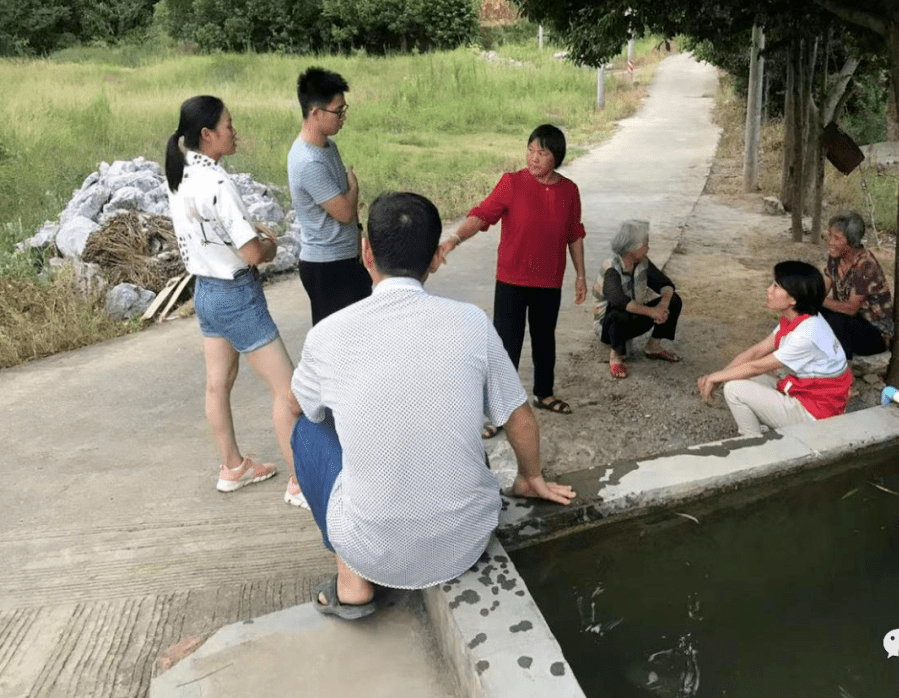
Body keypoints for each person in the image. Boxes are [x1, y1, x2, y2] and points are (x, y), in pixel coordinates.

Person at [290, 192, 576, 620]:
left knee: (305, 426)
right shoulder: (472, 322)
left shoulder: (329, 335)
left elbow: (306, 409)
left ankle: (351, 579)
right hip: (467, 541)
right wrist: (531, 475)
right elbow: (517, 413)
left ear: (365, 252)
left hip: (375, 550)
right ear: (435, 258)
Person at [165, 95, 306, 507]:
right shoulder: (219, 182)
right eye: (228, 124)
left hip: (205, 293)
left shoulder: (180, 172)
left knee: (217, 384)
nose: (235, 130)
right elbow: (251, 254)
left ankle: (232, 467)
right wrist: (269, 245)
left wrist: (245, 232)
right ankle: (301, 482)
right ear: (208, 135)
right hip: (236, 295)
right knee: (289, 391)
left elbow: (210, 230)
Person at [439, 124, 586, 416]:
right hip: (512, 279)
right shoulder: (512, 183)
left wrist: (580, 275)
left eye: (541, 153)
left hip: (548, 280)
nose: (533, 158)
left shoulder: (569, 191)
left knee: (545, 339)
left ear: (556, 157)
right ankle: (498, 409)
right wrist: (455, 238)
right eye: (530, 150)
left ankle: (544, 393)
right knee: (506, 344)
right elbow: (483, 215)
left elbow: (574, 233)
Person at [698, 261, 852, 436]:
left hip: (816, 415)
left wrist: (715, 378)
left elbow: (757, 366)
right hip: (804, 394)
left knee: (734, 389)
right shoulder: (801, 318)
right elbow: (755, 352)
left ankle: (755, 446)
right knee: (736, 378)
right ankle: (759, 434)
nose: (769, 290)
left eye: (776, 286)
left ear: (793, 299)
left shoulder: (805, 335)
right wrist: (719, 376)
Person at [287, 67, 372, 326]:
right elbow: (344, 212)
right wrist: (353, 186)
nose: (343, 117)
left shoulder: (328, 147)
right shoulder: (308, 162)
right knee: (336, 350)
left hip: (347, 259)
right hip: (327, 267)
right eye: (338, 111)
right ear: (315, 112)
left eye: (344, 110)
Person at [592, 219, 682, 379]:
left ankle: (653, 347)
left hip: (632, 317)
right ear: (632, 248)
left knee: (674, 300)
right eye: (645, 243)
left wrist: (663, 305)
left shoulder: (642, 262)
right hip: (607, 326)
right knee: (619, 311)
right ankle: (615, 355)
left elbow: (666, 284)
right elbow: (618, 300)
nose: (648, 247)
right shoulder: (611, 268)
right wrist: (652, 311)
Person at [821, 211, 894, 359]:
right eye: (829, 235)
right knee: (808, 309)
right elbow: (821, 290)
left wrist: (816, 299)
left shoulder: (864, 264)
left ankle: (841, 368)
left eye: (837, 238)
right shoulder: (835, 257)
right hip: (850, 323)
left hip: (874, 333)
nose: (830, 241)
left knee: (836, 320)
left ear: (851, 241)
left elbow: (851, 308)